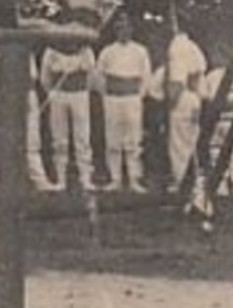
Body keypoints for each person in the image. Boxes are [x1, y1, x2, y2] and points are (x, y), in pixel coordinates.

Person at [95, 13, 152, 193]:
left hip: (132, 98)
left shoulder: (140, 51)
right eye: (119, 27)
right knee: (113, 139)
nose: (122, 30)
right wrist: (108, 92)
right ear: (115, 30)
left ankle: (134, 179)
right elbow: (98, 76)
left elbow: (146, 76)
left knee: (133, 139)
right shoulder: (107, 51)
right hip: (112, 98)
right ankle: (115, 179)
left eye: (126, 26)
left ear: (132, 29)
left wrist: (137, 95)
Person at [0, 48, 59, 192]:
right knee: (6, 141)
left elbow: (34, 79)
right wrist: (0, 103)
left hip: (29, 96)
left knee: (33, 141)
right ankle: (0, 182)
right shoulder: (0, 55)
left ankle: (39, 180)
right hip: (10, 97)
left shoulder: (29, 54)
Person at [40, 25, 98, 192]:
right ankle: (61, 179)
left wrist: (81, 88)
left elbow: (91, 75)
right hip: (59, 95)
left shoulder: (85, 51)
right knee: (59, 138)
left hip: (79, 95)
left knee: (82, 138)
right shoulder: (51, 51)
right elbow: (45, 78)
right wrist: (53, 93)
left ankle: (85, 178)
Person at [162, 14, 209, 199]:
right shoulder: (194, 47)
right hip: (194, 98)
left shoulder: (178, 46)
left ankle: (182, 181)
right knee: (191, 140)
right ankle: (194, 180)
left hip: (182, 98)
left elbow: (177, 80)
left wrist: (170, 104)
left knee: (179, 142)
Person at [203, 48, 233, 199]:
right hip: (219, 120)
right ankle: (221, 184)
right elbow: (207, 99)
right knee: (218, 151)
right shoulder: (211, 76)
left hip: (232, 119)